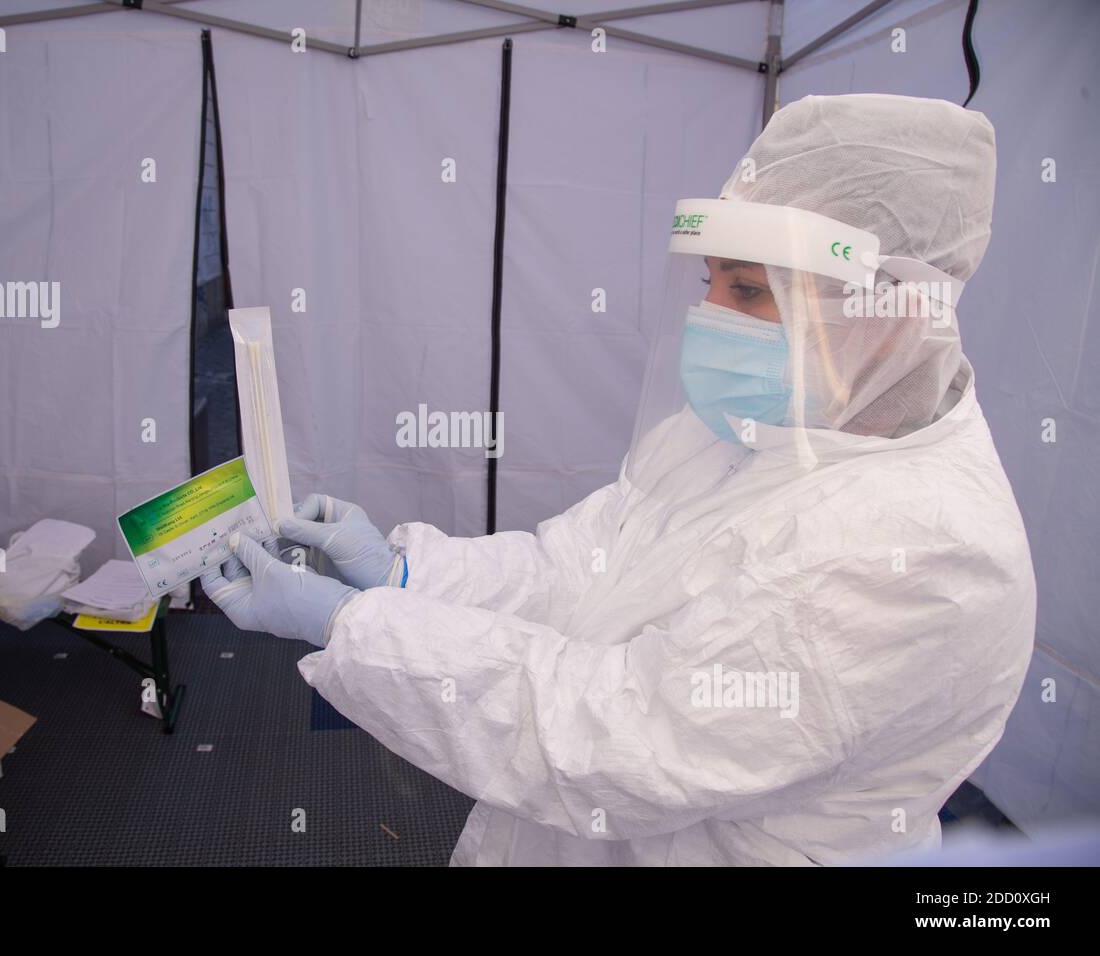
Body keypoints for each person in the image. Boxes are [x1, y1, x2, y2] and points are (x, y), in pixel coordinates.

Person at [201, 93, 1036, 866]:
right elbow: (576, 571)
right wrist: (406, 575)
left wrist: (359, 625)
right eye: (709, 282)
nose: (711, 319)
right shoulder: (754, 430)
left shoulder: (923, 552)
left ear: (890, 309)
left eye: (748, 290)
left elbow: (624, 739)